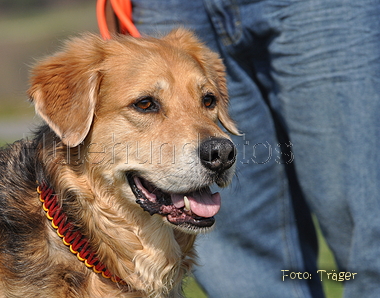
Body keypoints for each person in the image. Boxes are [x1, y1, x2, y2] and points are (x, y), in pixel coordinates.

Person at [130, 1, 380, 297]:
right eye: (147, 105)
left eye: (208, 100)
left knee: (369, 237)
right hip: (173, 6)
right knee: (246, 272)